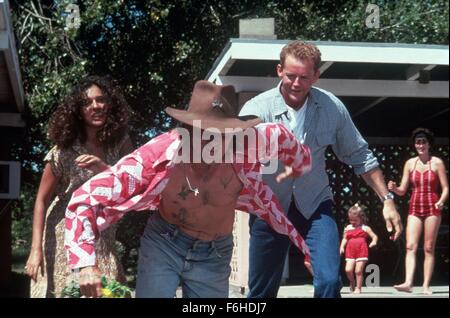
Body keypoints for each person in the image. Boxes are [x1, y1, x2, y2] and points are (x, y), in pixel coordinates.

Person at [64, 80, 312, 298]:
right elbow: (84, 199)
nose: (210, 141)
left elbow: (288, 139)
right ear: (187, 128)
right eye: (202, 132)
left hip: (215, 254)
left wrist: (298, 166)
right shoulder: (159, 154)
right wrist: (86, 263)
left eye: (220, 133)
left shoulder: (252, 143)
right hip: (164, 243)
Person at [239, 40, 402, 298]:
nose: (296, 83)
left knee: (328, 281)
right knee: (261, 294)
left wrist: (387, 200)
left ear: (316, 75)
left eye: (304, 77)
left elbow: (360, 156)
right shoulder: (257, 109)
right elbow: (235, 161)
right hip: (269, 209)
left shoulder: (331, 108)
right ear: (279, 70)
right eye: (291, 75)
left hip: (314, 204)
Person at [25, 76, 134, 297]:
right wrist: (35, 249)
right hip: (63, 233)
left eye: (101, 100)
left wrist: (104, 168)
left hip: (102, 232)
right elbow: (41, 200)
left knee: (106, 290)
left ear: (109, 104)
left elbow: (131, 187)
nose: (96, 106)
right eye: (87, 103)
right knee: (67, 291)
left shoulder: (121, 143)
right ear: (77, 111)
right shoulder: (63, 150)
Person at [389, 128, 448, 295]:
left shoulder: (437, 162)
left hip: (432, 206)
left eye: (423, 142)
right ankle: (408, 282)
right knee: (410, 246)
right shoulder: (410, 163)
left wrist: (441, 201)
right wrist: (394, 188)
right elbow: (402, 190)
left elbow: (446, 188)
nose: (420, 145)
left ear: (429, 144)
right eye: (417, 142)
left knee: (429, 247)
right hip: (414, 207)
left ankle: (426, 285)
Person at [340, 203, 378, 294]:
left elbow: (374, 236)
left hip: (361, 251)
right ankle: (352, 281)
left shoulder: (365, 228)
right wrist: (341, 247)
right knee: (348, 270)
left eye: (355, 220)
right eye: (350, 220)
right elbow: (345, 238)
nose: (352, 222)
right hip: (350, 251)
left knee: (358, 270)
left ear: (361, 218)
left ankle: (358, 288)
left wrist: (374, 241)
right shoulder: (348, 228)